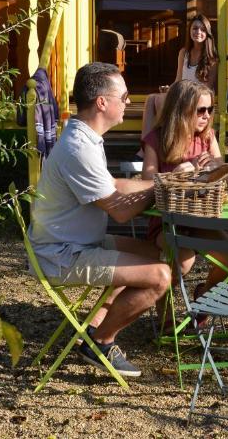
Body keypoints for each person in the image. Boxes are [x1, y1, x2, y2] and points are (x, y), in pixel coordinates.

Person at [29, 62, 171, 379]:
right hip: (62, 254)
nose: (129, 102)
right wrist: (164, 187)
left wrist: (161, 181)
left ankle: (95, 324)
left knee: (152, 253)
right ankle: (101, 342)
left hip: (72, 241)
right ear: (102, 102)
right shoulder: (78, 147)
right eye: (123, 96)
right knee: (161, 275)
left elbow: (114, 187)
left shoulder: (87, 138)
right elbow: (120, 210)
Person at [141, 79, 228, 330]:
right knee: (181, 260)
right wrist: (178, 174)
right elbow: (147, 181)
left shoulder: (207, 137)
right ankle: (166, 318)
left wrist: (217, 168)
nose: (206, 116)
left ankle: (203, 298)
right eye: (200, 110)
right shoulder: (157, 139)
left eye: (209, 110)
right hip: (167, 219)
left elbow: (223, 174)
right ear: (180, 109)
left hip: (201, 216)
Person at [140, 14, 217, 140]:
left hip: (198, 98)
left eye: (202, 30)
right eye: (195, 28)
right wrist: (169, 88)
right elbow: (178, 79)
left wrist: (184, 94)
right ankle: (145, 147)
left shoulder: (212, 59)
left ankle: (165, 140)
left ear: (207, 33)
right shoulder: (184, 53)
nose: (198, 32)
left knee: (161, 102)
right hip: (182, 93)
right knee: (151, 99)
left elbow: (208, 89)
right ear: (190, 31)